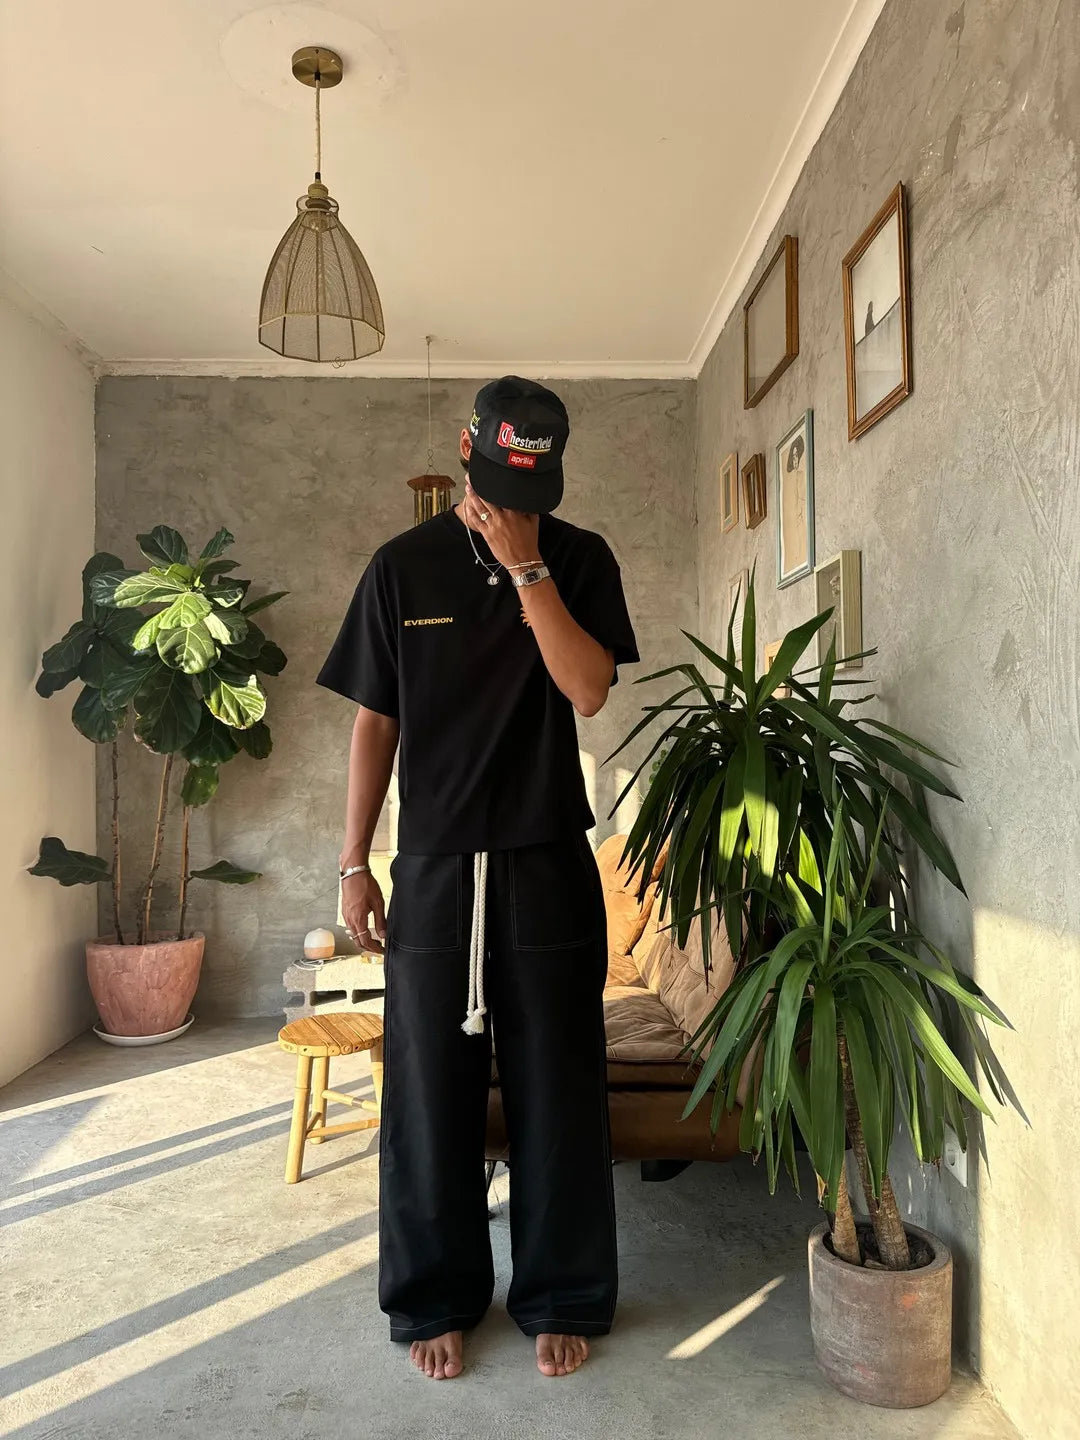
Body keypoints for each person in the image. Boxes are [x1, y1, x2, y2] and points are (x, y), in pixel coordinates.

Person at [317, 377, 639, 1382]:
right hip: (436, 870)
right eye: (503, 480)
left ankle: (562, 1293)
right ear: (468, 451)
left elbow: (587, 688)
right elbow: (375, 722)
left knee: (559, 1090)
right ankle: (434, 1297)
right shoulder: (400, 568)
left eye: (534, 484)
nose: (516, 497)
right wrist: (353, 865)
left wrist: (526, 563)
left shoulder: (578, 558)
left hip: (546, 859)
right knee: (426, 1095)